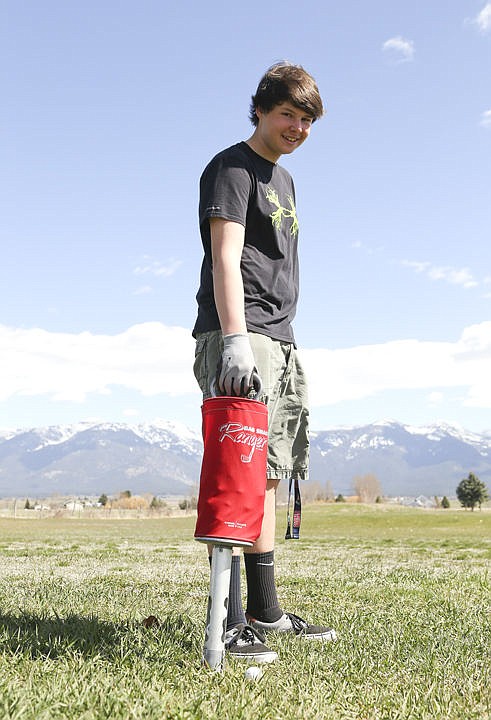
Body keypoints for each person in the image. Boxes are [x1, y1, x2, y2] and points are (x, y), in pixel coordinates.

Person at [192, 62, 336, 663]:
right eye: (287, 115)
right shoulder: (232, 168)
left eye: (307, 120)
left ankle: (264, 609)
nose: (297, 127)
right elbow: (225, 257)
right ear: (260, 110)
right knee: (238, 472)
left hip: (281, 338)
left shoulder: (286, 181)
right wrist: (233, 340)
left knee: (271, 472)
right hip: (240, 333)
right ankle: (226, 621)